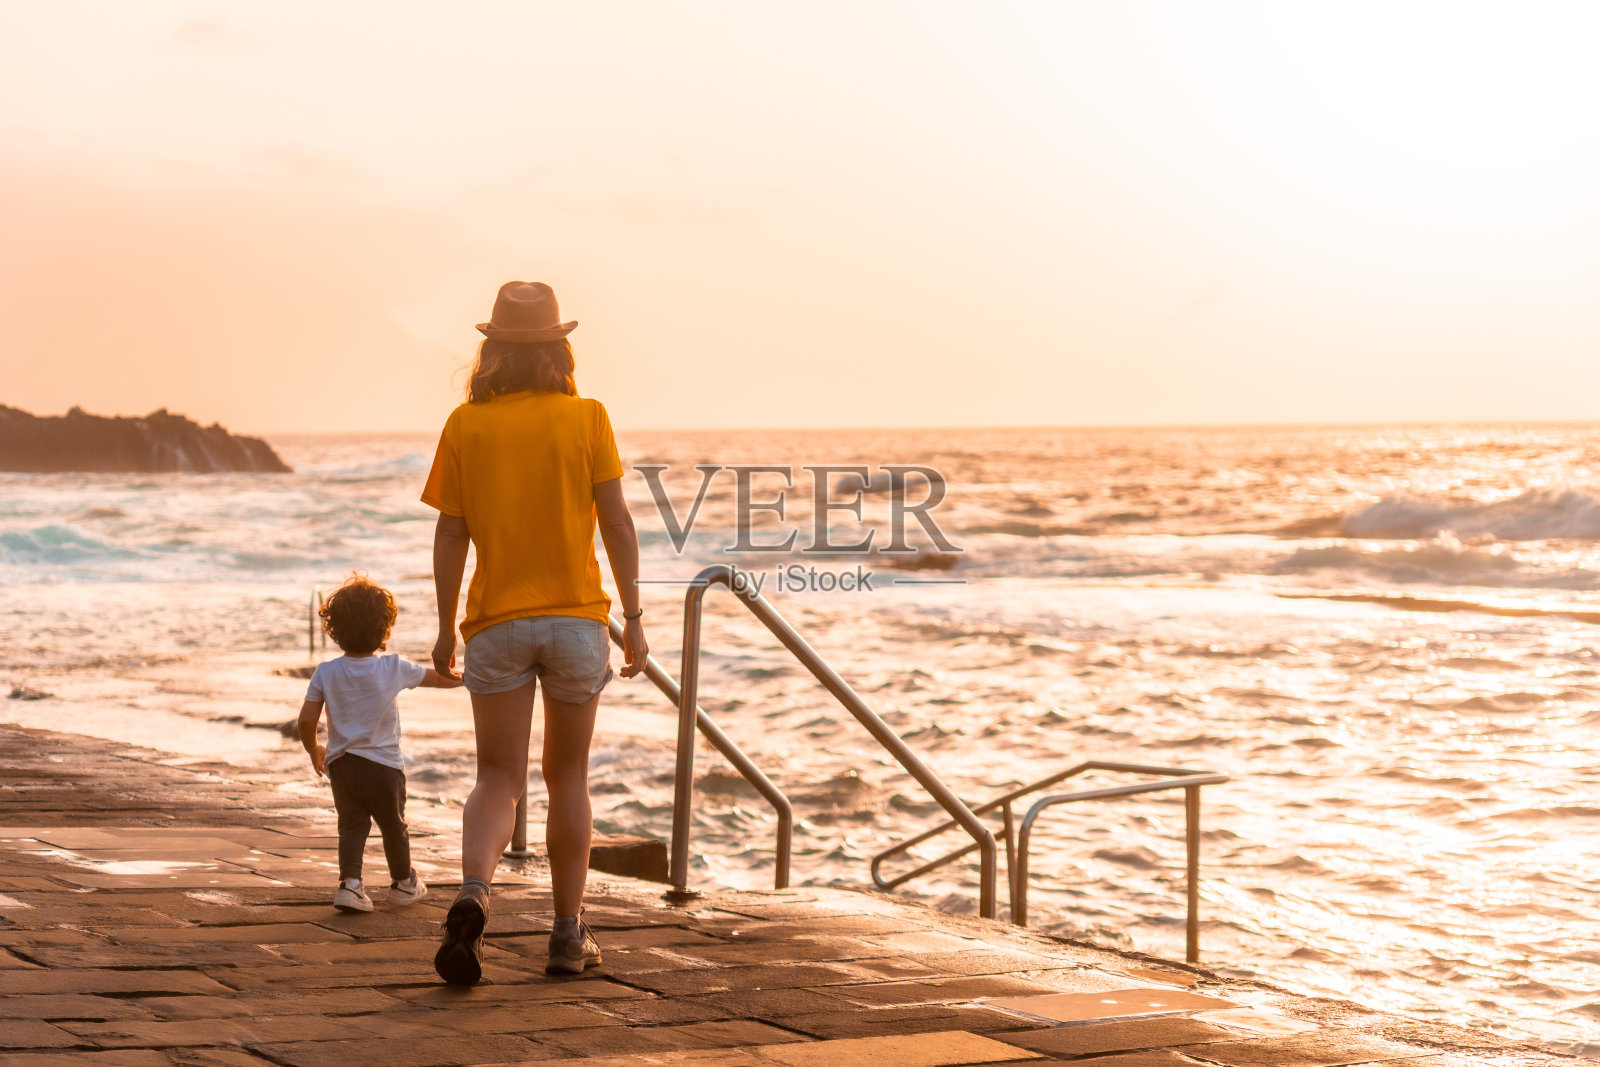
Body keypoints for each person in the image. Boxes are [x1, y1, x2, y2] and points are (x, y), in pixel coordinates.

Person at [422, 280, 648, 986]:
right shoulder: (587, 417)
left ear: (492, 350)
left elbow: (450, 532)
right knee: (568, 776)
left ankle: (472, 894)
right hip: (578, 620)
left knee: (498, 777)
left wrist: (441, 625)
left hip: (496, 621)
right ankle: (566, 933)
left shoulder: (466, 425)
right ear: (559, 347)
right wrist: (634, 617)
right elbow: (616, 522)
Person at [297, 573, 461, 912]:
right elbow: (438, 680)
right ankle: (403, 882)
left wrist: (314, 748)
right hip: (384, 767)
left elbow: (305, 720)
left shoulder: (325, 672)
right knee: (393, 824)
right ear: (385, 628)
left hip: (342, 765)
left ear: (334, 629)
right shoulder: (393, 667)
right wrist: (472, 677)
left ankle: (350, 885)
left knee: (352, 826)